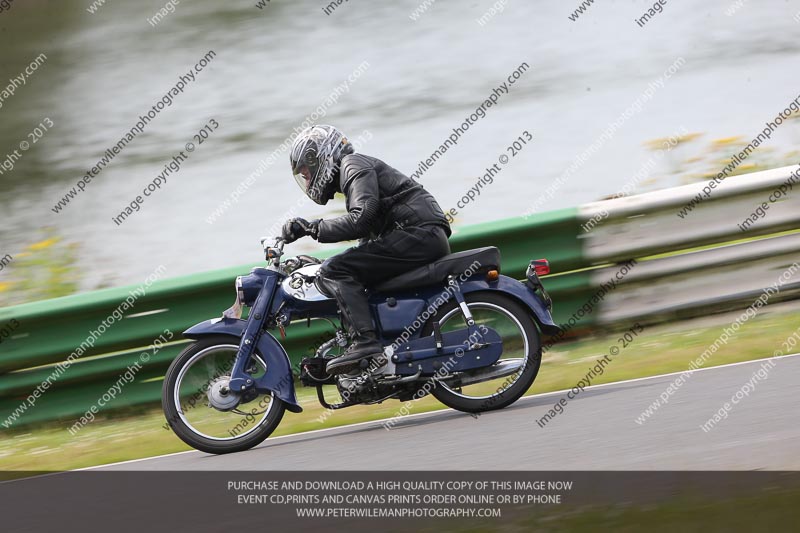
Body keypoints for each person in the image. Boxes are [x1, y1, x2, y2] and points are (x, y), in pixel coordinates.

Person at [282, 125, 451, 375]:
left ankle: (365, 343)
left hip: (418, 234)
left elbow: (362, 219)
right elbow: (368, 239)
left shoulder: (353, 165)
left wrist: (312, 229)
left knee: (334, 271)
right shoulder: (352, 173)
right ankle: (384, 346)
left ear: (322, 157)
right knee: (337, 269)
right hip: (417, 235)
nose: (307, 179)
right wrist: (326, 261)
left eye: (307, 172)